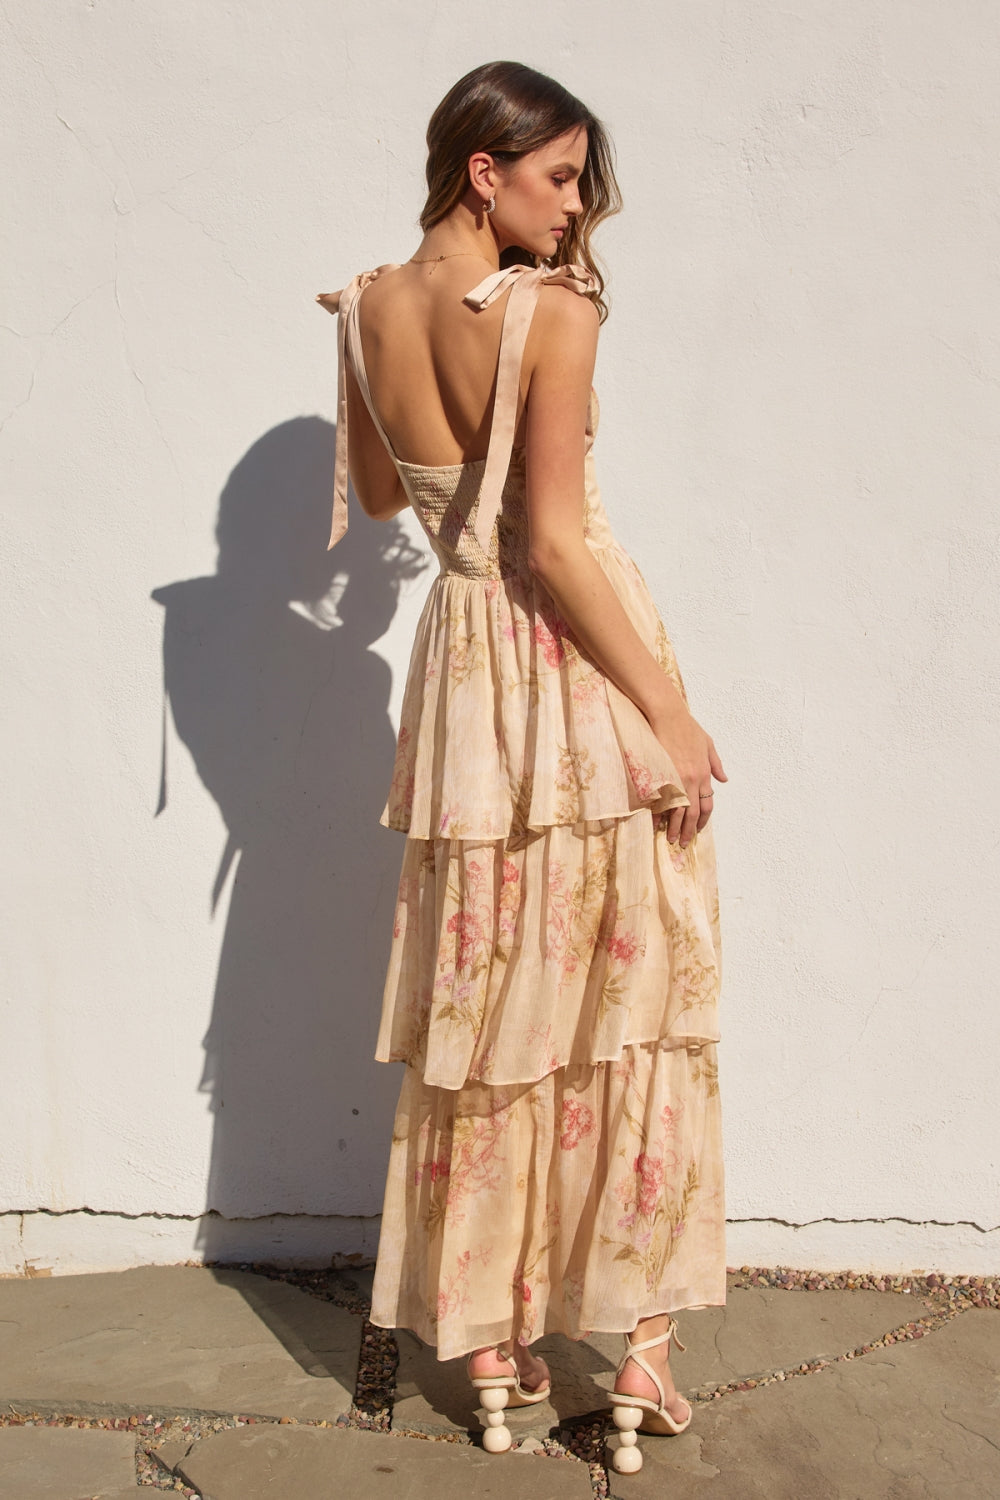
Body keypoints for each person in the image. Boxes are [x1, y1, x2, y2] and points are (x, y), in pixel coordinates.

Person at [316, 59, 727, 1475]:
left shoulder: (369, 305)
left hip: (462, 683)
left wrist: (368, 354)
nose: (574, 208)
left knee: (492, 1000)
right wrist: (671, 712)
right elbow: (551, 541)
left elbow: (386, 497)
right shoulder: (554, 312)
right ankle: (642, 1353)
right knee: (633, 994)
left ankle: (491, 1345)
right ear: (480, 171)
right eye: (557, 178)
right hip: (568, 668)